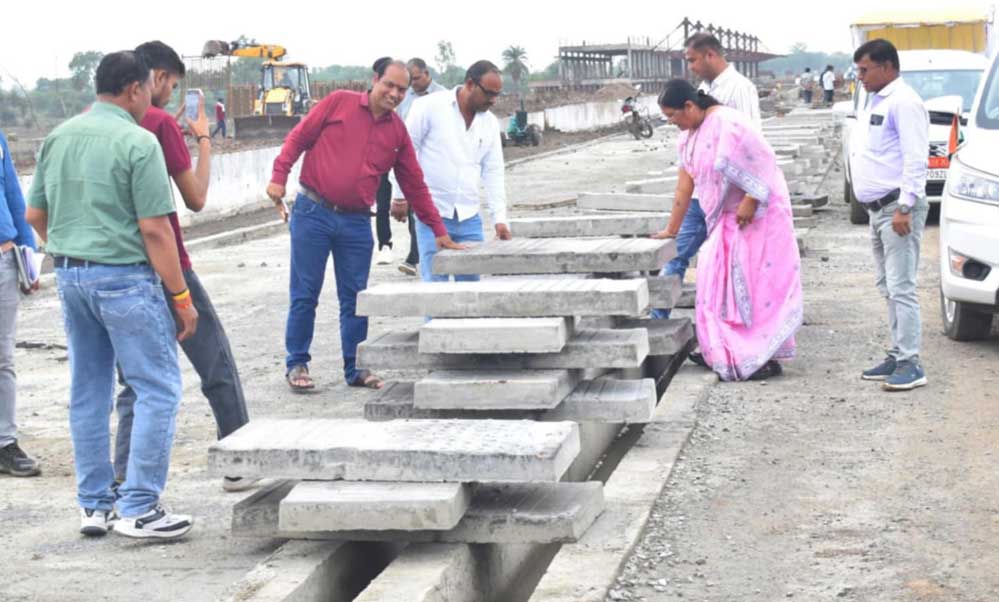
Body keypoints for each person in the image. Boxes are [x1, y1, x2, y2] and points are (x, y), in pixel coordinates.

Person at [26, 51, 197, 539]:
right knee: (157, 388)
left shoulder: (59, 137)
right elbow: (156, 230)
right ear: (135, 89)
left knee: (89, 390)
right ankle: (139, 507)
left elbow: (36, 215)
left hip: (71, 277)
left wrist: (74, 249)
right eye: (148, 91)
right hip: (125, 280)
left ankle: (94, 506)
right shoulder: (139, 142)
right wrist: (180, 297)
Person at [267, 57, 462, 393]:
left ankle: (356, 367)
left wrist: (438, 230)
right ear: (375, 80)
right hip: (313, 213)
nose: (395, 94)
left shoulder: (397, 132)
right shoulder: (337, 103)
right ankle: (297, 362)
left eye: (402, 89)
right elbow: (298, 138)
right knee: (305, 294)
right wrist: (278, 177)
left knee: (356, 298)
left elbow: (414, 184)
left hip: (356, 223)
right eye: (390, 85)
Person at [114, 41, 253, 493]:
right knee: (216, 364)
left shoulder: (105, 125)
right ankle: (238, 461)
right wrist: (204, 140)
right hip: (169, 263)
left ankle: (121, 477)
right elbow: (195, 197)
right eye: (172, 85)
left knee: (134, 381)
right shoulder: (158, 125)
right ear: (156, 78)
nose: (172, 94)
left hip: (122, 268)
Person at [652, 79, 803, 381]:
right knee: (713, 284)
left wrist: (751, 198)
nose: (671, 122)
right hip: (724, 219)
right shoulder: (687, 138)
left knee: (754, 287)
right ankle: (720, 350)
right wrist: (671, 229)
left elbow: (765, 159)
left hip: (757, 218)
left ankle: (757, 357)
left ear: (689, 106)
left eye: (672, 115)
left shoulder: (727, 122)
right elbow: (685, 186)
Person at [652, 33, 761, 319]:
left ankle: (738, 329)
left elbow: (755, 146)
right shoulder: (701, 91)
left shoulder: (739, 89)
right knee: (677, 255)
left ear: (710, 55)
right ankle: (658, 321)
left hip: (730, 201)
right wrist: (671, 227)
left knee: (731, 267)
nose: (690, 67)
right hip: (702, 197)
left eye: (692, 60)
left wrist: (751, 196)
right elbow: (686, 172)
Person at [849, 39, 930, 391]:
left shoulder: (904, 102)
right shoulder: (875, 101)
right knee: (888, 286)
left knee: (902, 287)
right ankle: (898, 354)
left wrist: (905, 207)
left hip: (897, 209)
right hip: (878, 211)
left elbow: (916, 158)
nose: (860, 76)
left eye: (865, 70)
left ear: (886, 67)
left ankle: (911, 363)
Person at [395, 60, 511, 284]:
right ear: (470, 84)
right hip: (432, 213)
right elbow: (404, 152)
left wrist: (500, 219)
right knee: (434, 285)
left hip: (469, 216)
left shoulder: (489, 123)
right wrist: (399, 196)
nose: (493, 100)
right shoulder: (429, 107)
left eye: (497, 94)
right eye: (489, 93)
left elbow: (493, 171)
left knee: (471, 288)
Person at [0, 129, 41, 478]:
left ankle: (4, 443)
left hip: (3, 259)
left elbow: (14, 197)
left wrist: (29, 257)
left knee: (3, 359)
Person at [393, 57, 447, 277]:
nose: (413, 84)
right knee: (414, 212)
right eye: (410, 80)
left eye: (416, 78)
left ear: (427, 74)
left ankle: (416, 257)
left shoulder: (443, 96)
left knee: (427, 210)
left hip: (435, 164)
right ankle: (418, 256)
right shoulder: (404, 98)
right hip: (410, 162)